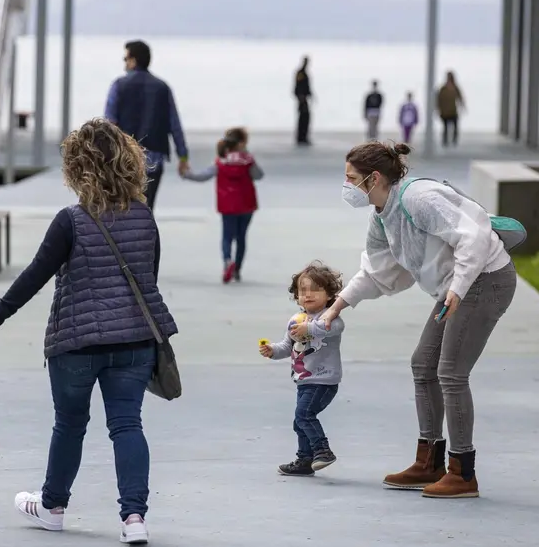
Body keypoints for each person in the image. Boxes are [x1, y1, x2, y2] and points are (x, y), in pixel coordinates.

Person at [0, 118, 178, 546]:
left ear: (76, 168)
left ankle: (52, 507)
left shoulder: (71, 220)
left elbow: (35, 276)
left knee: (69, 424)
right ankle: (134, 519)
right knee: (127, 425)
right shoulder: (145, 216)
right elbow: (148, 278)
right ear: (129, 160)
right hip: (134, 341)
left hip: (76, 343)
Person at [320, 141, 516, 499]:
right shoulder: (382, 214)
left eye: (351, 179)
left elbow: (473, 235)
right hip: (456, 288)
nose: (346, 186)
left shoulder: (419, 199)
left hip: (485, 279)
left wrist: (457, 287)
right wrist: (336, 307)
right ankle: (429, 462)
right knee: (423, 364)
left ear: (373, 178)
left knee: (451, 373)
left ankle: (463, 472)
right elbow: (378, 271)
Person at [259, 261, 345, 477]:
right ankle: (305, 460)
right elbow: (288, 346)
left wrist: (309, 328)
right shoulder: (296, 320)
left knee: (304, 415)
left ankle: (322, 451)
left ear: (329, 294)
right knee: (300, 421)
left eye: (315, 289)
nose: (308, 295)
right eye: (302, 291)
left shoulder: (331, 318)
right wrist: (272, 350)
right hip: (304, 379)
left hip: (324, 380)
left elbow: (329, 329)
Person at [105, 40, 189, 210]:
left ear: (133, 60)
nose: (124, 63)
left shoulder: (119, 86)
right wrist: (183, 156)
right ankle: (148, 235)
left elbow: (109, 124)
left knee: (123, 208)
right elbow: (175, 124)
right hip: (154, 159)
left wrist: (105, 156)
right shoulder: (162, 87)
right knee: (147, 208)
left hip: (124, 157)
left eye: (125, 58)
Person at [181, 127, 264, 283]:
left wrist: (187, 174)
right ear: (242, 143)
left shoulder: (220, 162)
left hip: (228, 205)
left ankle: (227, 262)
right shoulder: (248, 160)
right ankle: (238, 269)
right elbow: (258, 175)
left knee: (227, 236)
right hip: (246, 204)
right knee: (241, 237)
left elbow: (203, 176)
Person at [436, 71, 465, 147]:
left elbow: (460, 97)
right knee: (445, 128)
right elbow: (439, 99)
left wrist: (463, 106)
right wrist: (438, 109)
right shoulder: (443, 88)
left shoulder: (455, 87)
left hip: (453, 111)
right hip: (445, 112)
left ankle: (454, 140)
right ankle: (445, 141)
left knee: (455, 127)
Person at [293, 56, 313, 146]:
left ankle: (303, 137)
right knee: (303, 118)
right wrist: (301, 97)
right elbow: (299, 87)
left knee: (305, 118)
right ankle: (301, 137)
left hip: (305, 99)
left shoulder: (304, 73)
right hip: (302, 100)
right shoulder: (301, 73)